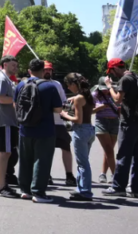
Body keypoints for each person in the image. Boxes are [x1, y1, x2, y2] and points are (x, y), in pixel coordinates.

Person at [16, 59, 63, 203]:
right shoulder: (49, 86)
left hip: (25, 129)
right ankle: (38, 192)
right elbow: (58, 109)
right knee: (42, 161)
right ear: (43, 70)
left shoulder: (21, 85)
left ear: (29, 71)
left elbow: (15, 105)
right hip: (45, 130)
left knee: (25, 160)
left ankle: (25, 190)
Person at [103, 59, 138, 198]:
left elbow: (117, 99)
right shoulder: (136, 77)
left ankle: (118, 187)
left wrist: (109, 86)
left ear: (116, 68)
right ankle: (137, 189)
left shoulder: (125, 79)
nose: (112, 74)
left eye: (111, 71)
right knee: (137, 156)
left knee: (123, 155)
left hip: (129, 121)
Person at [61, 73, 96, 201]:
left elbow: (78, 119)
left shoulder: (78, 98)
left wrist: (64, 114)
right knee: (83, 161)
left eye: (69, 85)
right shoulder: (87, 96)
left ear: (74, 84)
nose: (68, 88)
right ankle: (81, 188)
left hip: (81, 130)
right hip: (90, 130)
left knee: (83, 163)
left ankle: (85, 191)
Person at [0, 56, 20, 198]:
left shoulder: (6, 79)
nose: (15, 68)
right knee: (4, 153)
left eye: (16, 65)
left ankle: (2, 184)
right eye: (13, 65)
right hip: (4, 122)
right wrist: (19, 99)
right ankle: (1, 186)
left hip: (8, 122)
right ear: (5, 64)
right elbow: (1, 98)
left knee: (6, 153)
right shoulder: (1, 79)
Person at [42, 63, 77, 186]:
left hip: (58, 122)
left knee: (66, 146)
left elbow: (63, 101)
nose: (47, 72)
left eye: (49, 70)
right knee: (46, 150)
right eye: (45, 69)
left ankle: (69, 175)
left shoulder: (56, 84)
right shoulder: (36, 84)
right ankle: (46, 174)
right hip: (43, 123)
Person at [92, 76, 119, 184]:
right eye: (104, 88)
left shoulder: (115, 93)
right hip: (101, 122)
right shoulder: (95, 95)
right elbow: (90, 111)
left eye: (108, 88)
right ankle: (115, 176)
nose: (106, 90)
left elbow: (120, 106)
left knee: (109, 150)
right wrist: (100, 107)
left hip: (114, 122)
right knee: (109, 149)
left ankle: (103, 173)